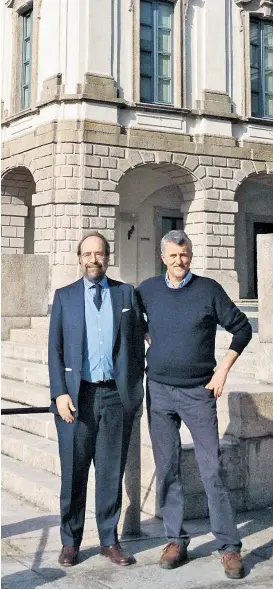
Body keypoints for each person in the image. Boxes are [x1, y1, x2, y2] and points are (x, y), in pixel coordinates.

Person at [137, 229, 252, 580]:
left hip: (198, 393)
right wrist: (148, 336)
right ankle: (175, 539)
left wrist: (222, 372)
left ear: (191, 255)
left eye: (184, 255)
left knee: (211, 470)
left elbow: (242, 328)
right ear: (162, 257)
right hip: (158, 391)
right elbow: (134, 321)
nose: (179, 261)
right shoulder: (147, 290)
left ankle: (230, 546)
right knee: (167, 467)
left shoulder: (208, 290)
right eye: (173, 255)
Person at [48, 231, 144, 567]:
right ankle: (70, 541)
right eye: (87, 254)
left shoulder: (125, 294)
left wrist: (135, 388)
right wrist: (59, 392)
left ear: (108, 256)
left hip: (115, 397)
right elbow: (55, 350)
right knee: (74, 473)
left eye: (99, 253)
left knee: (110, 472)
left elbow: (138, 341)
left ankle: (109, 540)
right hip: (77, 398)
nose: (93, 259)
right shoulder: (65, 297)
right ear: (79, 258)